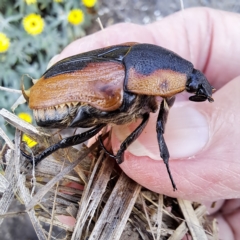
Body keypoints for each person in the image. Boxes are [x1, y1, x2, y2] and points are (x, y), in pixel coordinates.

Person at [51, 8, 240, 239]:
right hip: (61, 101)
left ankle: (119, 150)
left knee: (135, 118)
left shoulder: (151, 82)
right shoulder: (137, 81)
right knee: (122, 119)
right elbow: (158, 129)